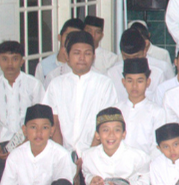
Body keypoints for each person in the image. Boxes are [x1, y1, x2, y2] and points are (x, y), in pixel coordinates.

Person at [55, 108, 153, 185]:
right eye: (105, 130)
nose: (111, 135)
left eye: (117, 130)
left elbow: (146, 177)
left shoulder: (138, 156)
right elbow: (87, 175)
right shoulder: (88, 156)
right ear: (97, 135)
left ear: (124, 134)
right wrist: (92, 181)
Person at [44, 30, 120, 159]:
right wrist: (62, 156)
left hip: (95, 154)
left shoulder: (104, 84)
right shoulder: (56, 84)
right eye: (76, 53)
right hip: (63, 155)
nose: (82, 58)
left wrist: (88, 157)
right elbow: (53, 122)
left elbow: (105, 122)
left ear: (93, 56)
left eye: (87, 53)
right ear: (67, 56)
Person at [0, 41, 45, 185]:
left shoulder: (33, 85)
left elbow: (41, 120)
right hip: (2, 142)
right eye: (5, 59)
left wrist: (24, 143)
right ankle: (14, 169)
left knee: (38, 169)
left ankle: (15, 169)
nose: (10, 64)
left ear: (21, 61)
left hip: (29, 140)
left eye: (14, 59)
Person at [106, 28, 173, 105]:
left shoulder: (159, 72)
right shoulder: (112, 73)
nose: (131, 62)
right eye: (127, 58)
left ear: (144, 51)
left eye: (136, 57)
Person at [116, 58, 167, 157]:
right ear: (123, 82)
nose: (134, 86)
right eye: (130, 81)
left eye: (139, 81)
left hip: (146, 165)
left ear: (148, 82)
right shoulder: (116, 110)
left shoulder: (157, 112)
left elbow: (157, 147)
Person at [34, 18, 85, 88]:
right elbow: (39, 91)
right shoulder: (43, 65)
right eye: (68, 35)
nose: (70, 40)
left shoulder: (83, 65)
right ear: (59, 37)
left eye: (75, 37)